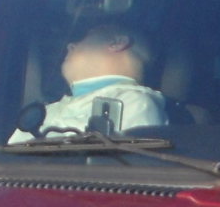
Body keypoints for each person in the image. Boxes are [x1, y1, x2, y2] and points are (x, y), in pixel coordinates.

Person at [13, 22, 167, 139]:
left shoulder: (137, 104)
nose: (70, 45)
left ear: (117, 43)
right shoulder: (47, 111)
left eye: (85, 38)